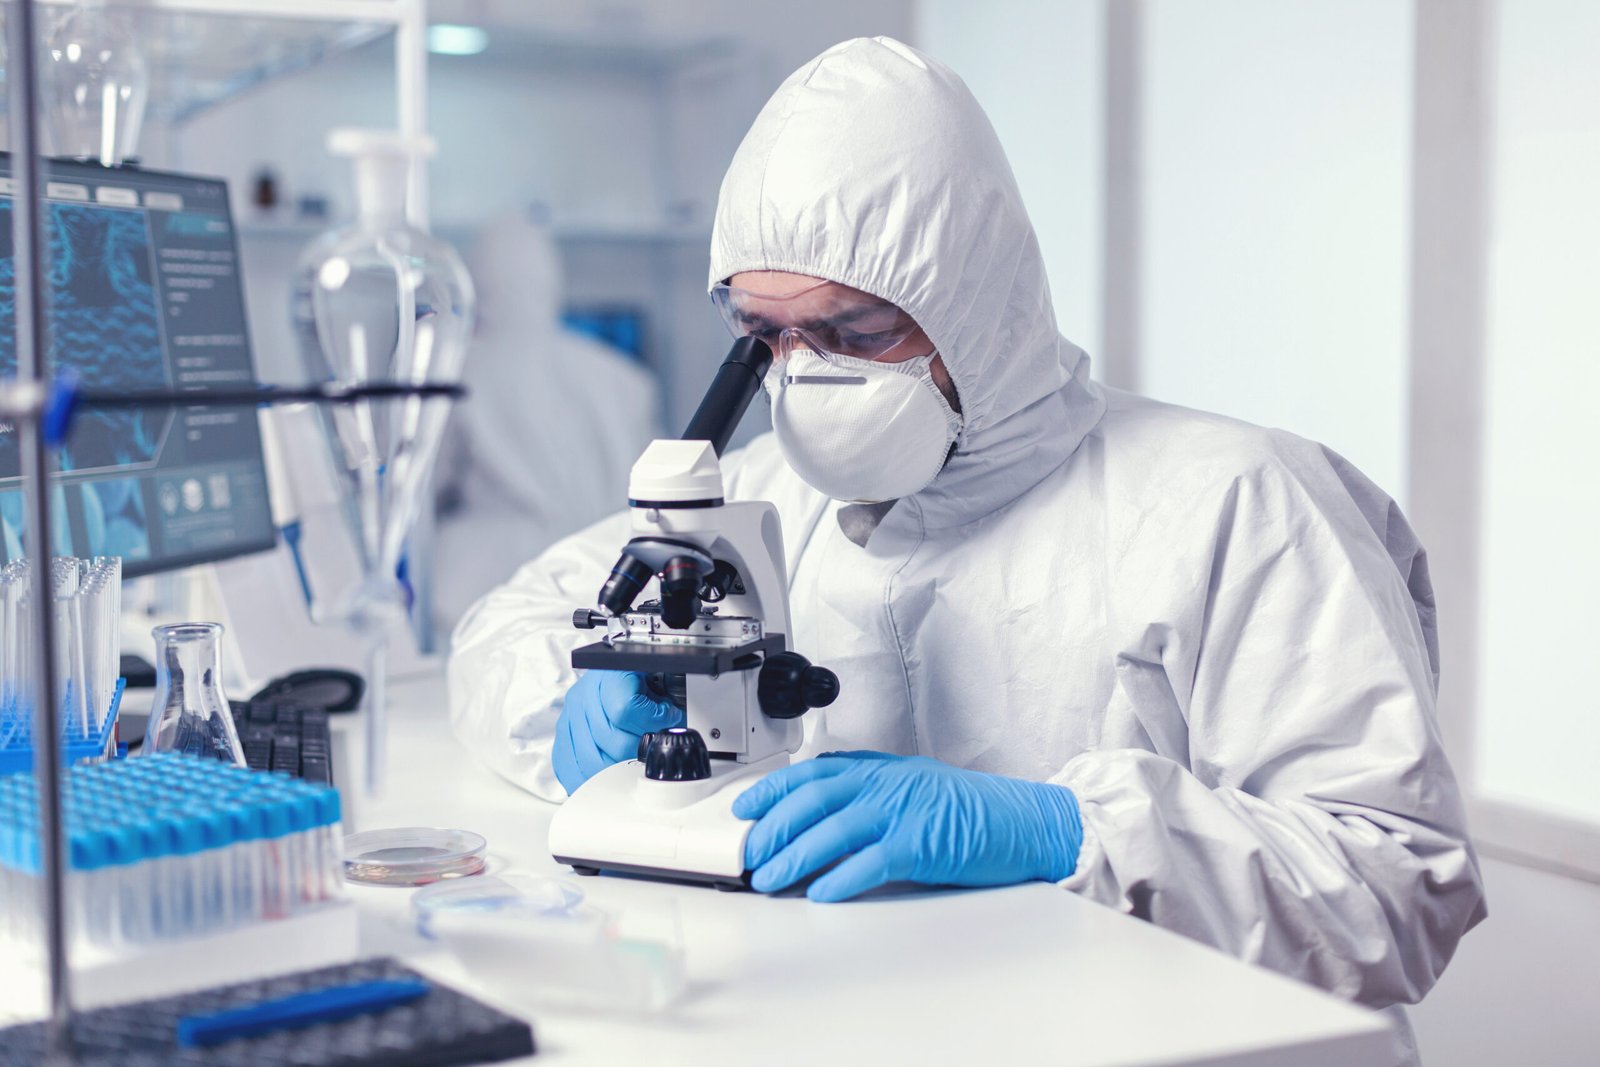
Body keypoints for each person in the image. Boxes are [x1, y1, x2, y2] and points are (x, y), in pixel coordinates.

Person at [449, 37, 1483, 1061]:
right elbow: (504, 627)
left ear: (974, 310)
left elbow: (1396, 882)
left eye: (854, 333)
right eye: (766, 334)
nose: (806, 377)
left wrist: (1067, 830)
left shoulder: (1235, 500)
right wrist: (576, 709)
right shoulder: (765, 492)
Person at [433, 210, 659, 632]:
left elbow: (426, 488)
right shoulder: (620, 376)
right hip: (605, 573)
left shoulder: (462, 371)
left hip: (484, 586)